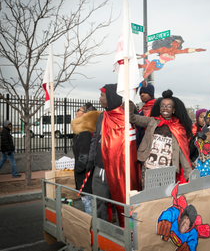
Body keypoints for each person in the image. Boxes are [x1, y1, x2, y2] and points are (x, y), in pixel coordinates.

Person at [86, 84, 140, 227]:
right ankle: (102, 234)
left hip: (120, 171)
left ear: (111, 96)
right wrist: (91, 160)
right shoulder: (102, 116)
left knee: (122, 203)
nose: (100, 98)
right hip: (100, 169)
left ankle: (127, 235)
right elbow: (95, 139)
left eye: (102, 95)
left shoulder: (126, 117)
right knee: (98, 203)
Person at [129, 89, 193, 188]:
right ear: (159, 108)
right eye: (163, 106)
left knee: (165, 199)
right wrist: (129, 102)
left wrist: (189, 173)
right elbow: (132, 118)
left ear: (174, 109)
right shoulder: (151, 121)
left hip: (167, 171)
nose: (165, 108)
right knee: (148, 196)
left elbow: (183, 152)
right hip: (149, 168)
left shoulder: (179, 128)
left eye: (169, 106)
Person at [71, 102, 100, 215]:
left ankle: (92, 229)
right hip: (87, 173)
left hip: (85, 175)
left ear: (86, 114)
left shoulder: (85, 132)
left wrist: (79, 168)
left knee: (89, 204)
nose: (77, 111)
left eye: (79, 109)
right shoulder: (86, 131)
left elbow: (84, 155)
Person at [138, 35, 206, 79]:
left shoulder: (175, 51)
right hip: (156, 62)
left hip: (160, 66)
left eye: (179, 43)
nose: (178, 44)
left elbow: (185, 51)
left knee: (144, 67)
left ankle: (139, 66)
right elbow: (153, 51)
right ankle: (140, 82)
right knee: (147, 73)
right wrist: (145, 54)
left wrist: (196, 50)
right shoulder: (164, 48)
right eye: (176, 42)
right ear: (171, 42)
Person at [136, 83, 156, 148]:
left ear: (151, 94)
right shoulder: (144, 108)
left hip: (149, 145)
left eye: (145, 92)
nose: (142, 94)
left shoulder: (155, 108)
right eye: (141, 93)